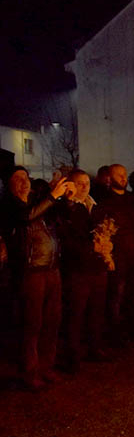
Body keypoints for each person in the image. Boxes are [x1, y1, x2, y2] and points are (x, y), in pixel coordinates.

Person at [1, 167, 73, 390]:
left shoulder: (36, 200)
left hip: (52, 269)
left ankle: (46, 366)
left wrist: (66, 200)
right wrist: (52, 196)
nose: (24, 182)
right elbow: (26, 217)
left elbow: (59, 217)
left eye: (26, 178)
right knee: (33, 323)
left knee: (52, 320)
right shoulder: (9, 206)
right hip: (30, 271)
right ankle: (30, 371)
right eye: (18, 179)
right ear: (8, 184)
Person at [57, 169, 110, 372]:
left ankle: (95, 348)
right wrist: (91, 247)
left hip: (97, 267)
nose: (84, 186)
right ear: (70, 185)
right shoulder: (66, 208)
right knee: (76, 314)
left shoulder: (95, 205)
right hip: (78, 269)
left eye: (87, 182)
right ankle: (73, 355)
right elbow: (66, 239)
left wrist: (107, 245)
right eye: (79, 183)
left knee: (96, 310)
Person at [98, 164, 134, 344]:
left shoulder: (133, 200)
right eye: (119, 175)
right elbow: (102, 231)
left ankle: (133, 330)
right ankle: (115, 334)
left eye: (124, 174)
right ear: (110, 178)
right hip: (118, 257)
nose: (123, 178)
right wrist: (107, 255)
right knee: (116, 296)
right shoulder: (105, 202)